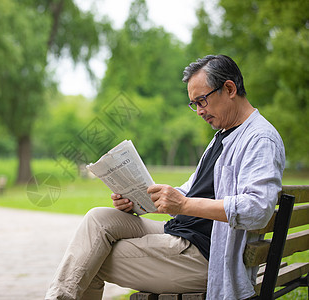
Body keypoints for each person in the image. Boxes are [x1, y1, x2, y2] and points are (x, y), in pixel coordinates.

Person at [45, 54, 285, 300]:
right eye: (194, 104)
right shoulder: (224, 135)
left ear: (229, 88)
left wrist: (183, 204)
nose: (200, 111)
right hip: (180, 234)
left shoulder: (259, 139)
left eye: (202, 101)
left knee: (85, 261)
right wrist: (143, 199)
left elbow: (258, 208)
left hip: (206, 256)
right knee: (98, 219)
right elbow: (191, 191)